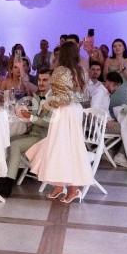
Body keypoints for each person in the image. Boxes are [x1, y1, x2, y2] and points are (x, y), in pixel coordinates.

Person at [25, 41, 93, 204]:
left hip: (64, 112)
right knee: (63, 147)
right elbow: (84, 96)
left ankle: (73, 189)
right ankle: (59, 184)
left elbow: (60, 97)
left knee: (65, 148)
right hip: (74, 110)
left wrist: (50, 103)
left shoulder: (60, 71)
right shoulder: (80, 70)